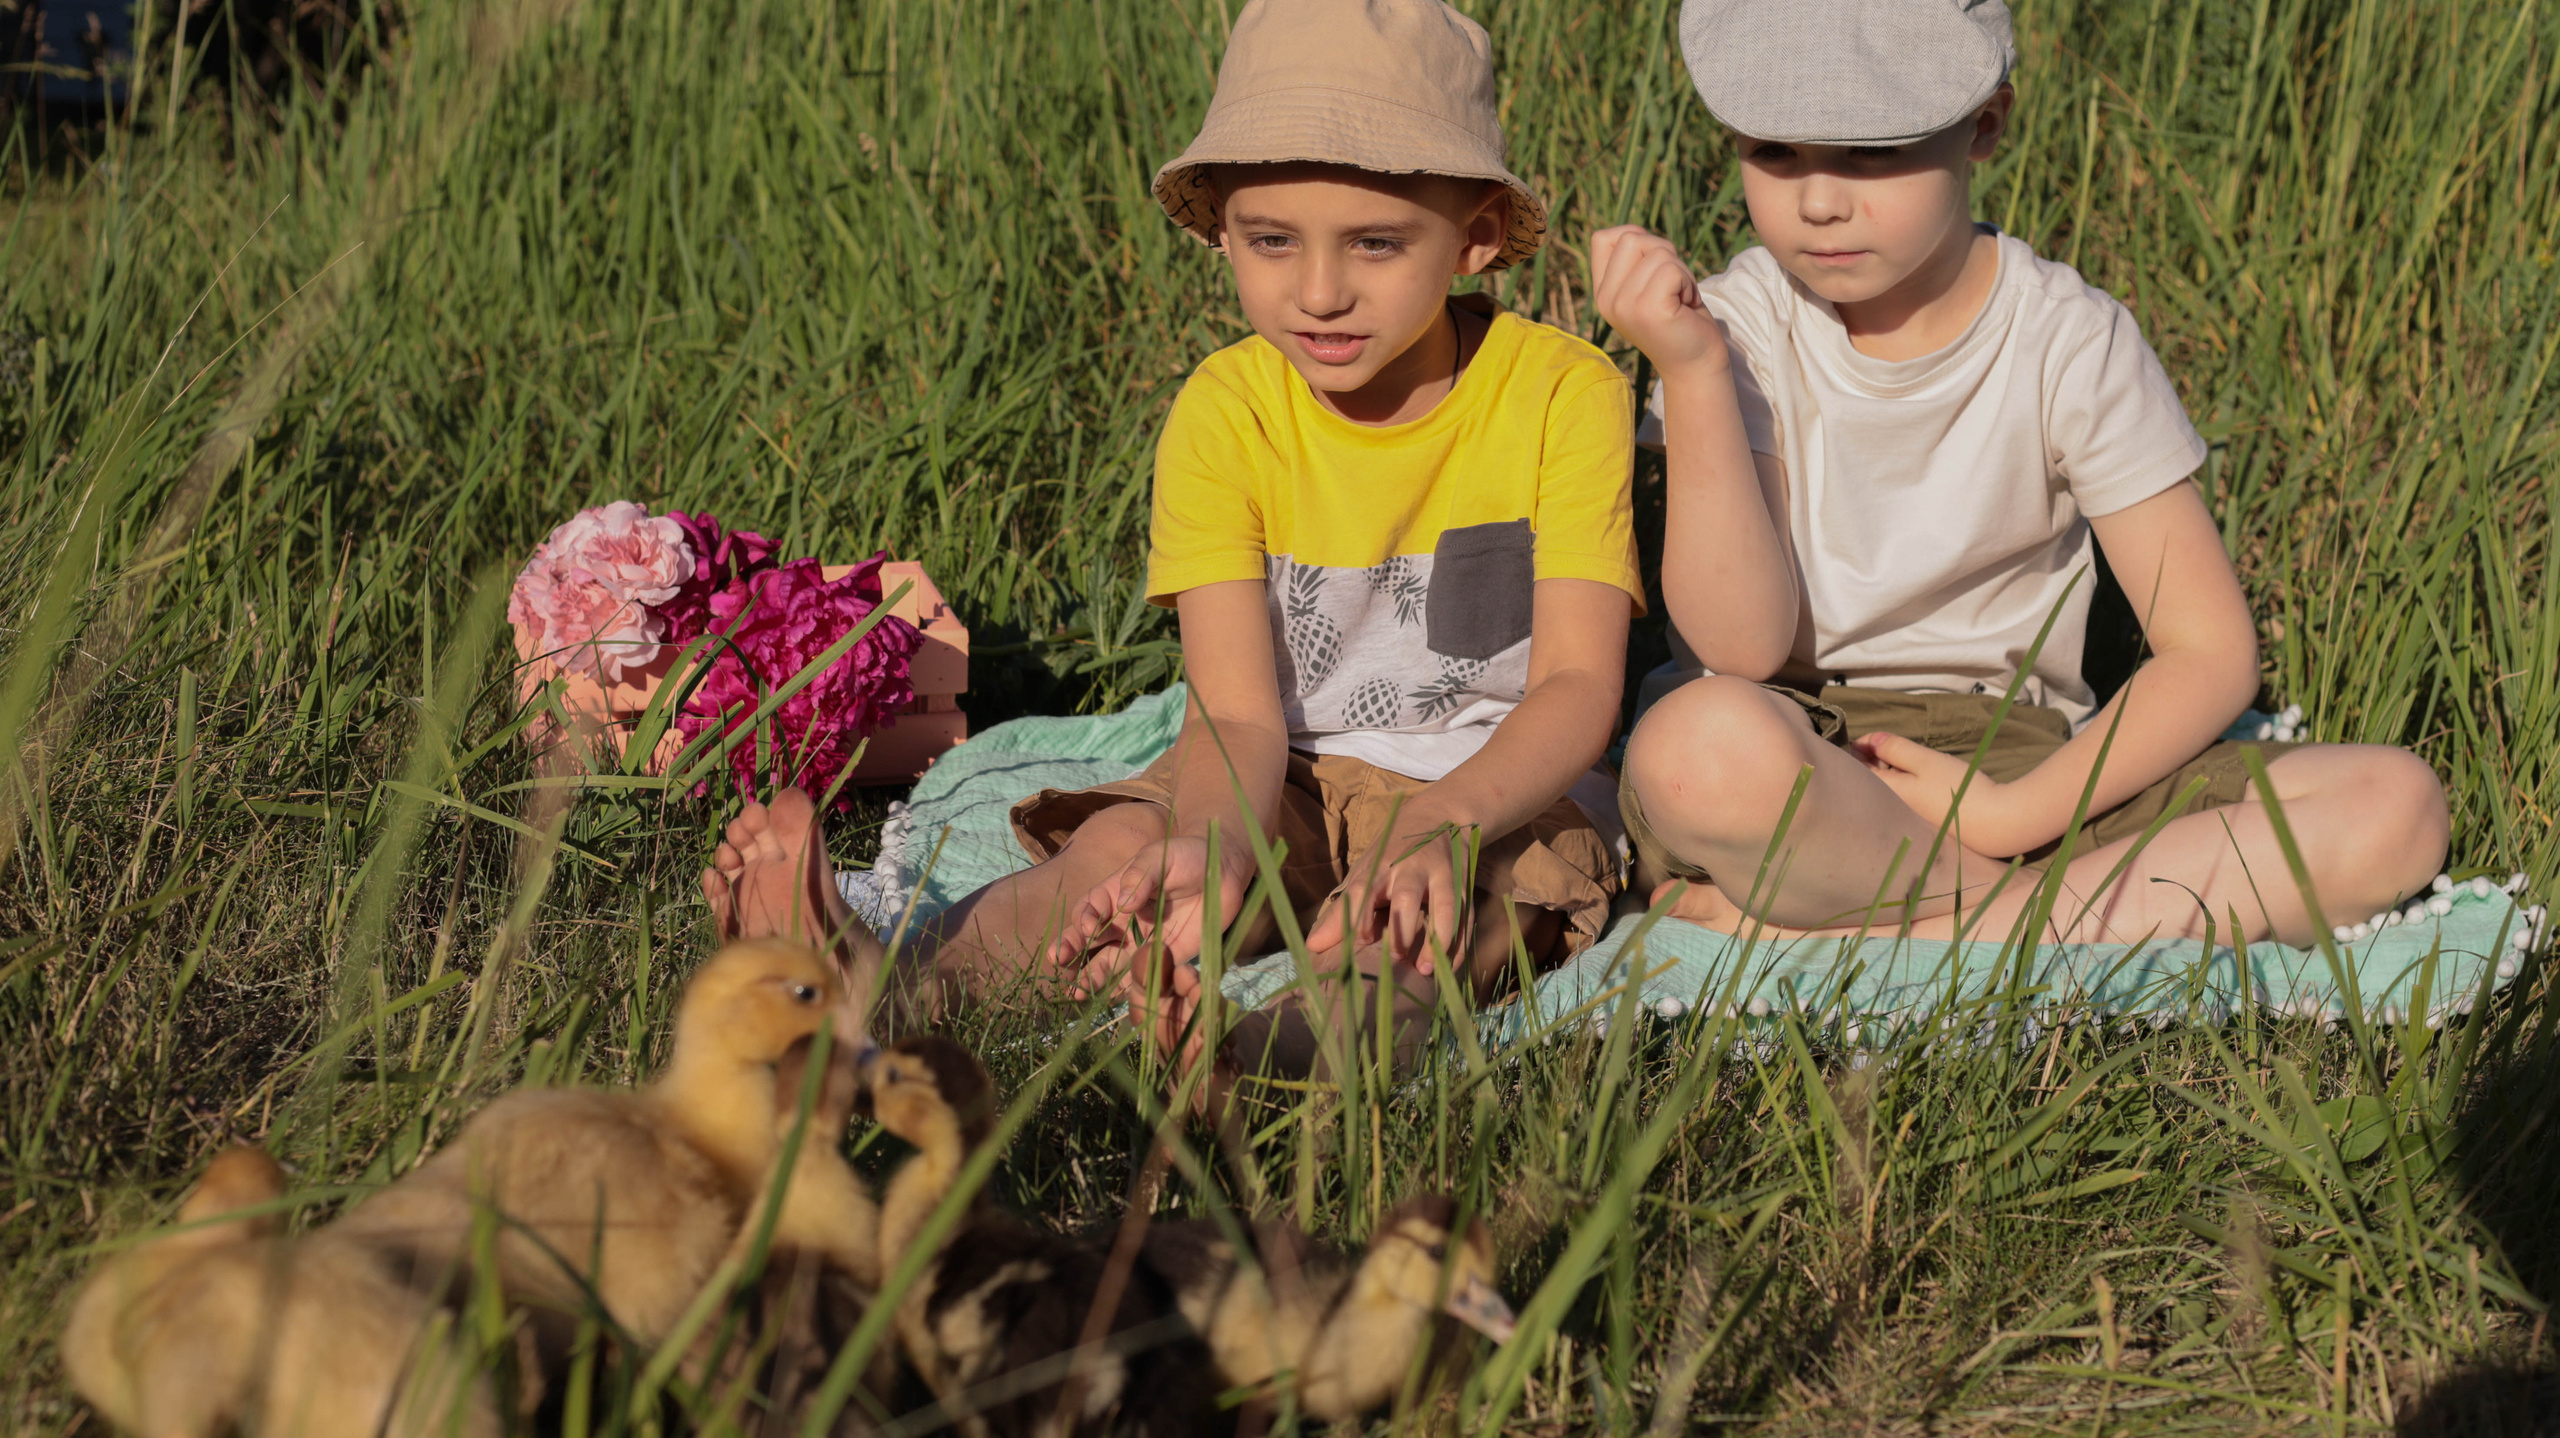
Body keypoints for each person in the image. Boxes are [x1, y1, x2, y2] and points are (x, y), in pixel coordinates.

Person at [704, 0, 1650, 1079]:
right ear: (1222, 232)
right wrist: (1215, 843)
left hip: (1499, 787)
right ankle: (882, 970)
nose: (1320, 290)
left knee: (1427, 933)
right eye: (1271, 241)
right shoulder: (1227, 408)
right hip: (1278, 765)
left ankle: (1249, 1050)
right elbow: (1238, 710)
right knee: (1129, 858)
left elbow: (1576, 682)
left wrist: (1446, 816)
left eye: (1376, 243)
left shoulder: (1560, 393)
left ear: (1475, 235)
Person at [1592, 0, 2448, 948]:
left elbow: (2208, 652)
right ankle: (2024, 918)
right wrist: (1694, 371)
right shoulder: (1737, 328)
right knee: (1697, 750)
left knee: (2393, 805)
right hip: (1795, 746)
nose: (1820, 200)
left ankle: (1890, 924)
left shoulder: (2068, 341)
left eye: (1874, 153)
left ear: (1986, 125)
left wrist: (2015, 815)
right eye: (1777, 152)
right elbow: (1740, 645)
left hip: (2012, 763)